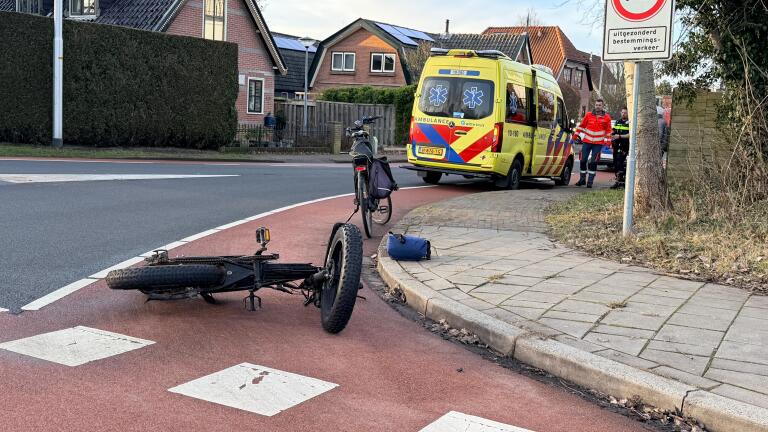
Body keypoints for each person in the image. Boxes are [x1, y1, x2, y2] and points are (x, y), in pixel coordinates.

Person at [573, 99, 613, 188]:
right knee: (583, 160)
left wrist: (608, 142)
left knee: (593, 162)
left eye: (599, 105)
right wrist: (574, 137)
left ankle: (590, 181)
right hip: (587, 142)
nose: (597, 106)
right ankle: (582, 179)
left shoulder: (607, 118)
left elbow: (609, 131)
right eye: (596, 105)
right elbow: (581, 126)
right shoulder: (588, 115)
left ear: (603, 106)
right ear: (594, 105)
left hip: (598, 144)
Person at [611, 108, 630, 189]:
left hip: (624, 146)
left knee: (620, 162)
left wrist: (619, 136)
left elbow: (630, 134)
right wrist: (612, 134)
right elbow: (613, 131)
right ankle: (617, 181)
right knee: (615, 163)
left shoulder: (629, 122)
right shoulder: (618, 121)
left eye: (625, 113)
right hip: (616, 145)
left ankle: (622, 182)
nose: (623, 114)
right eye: (622, 112)